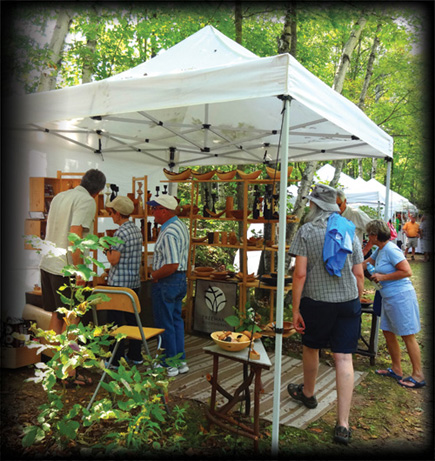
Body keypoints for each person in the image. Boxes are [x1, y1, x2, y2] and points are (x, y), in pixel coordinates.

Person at [288, 184, 364, 445]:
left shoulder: (306, 231)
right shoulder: (349, 231)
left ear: (315, 206)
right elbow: (359, 274)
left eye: (310, 203)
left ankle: (308, 393)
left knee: (311, 347)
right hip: (348, 302)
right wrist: (356, 298)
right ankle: (343, 424)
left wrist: (295, 309)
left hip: (317, 303)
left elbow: (299, 274)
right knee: (344, 358)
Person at [39, 169, 106, 386]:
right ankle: (69, 375)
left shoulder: (60, 196)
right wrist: (80, 270)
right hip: (66, 268)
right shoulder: (86, 201)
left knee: (56, 317)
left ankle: (55, 368)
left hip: (48, 263)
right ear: (98, 191)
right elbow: (75, 233)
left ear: (81, 181)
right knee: (73, 321)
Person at [364, 219, 425, 389]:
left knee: (407, 335)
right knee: (388, 332)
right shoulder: (380, 249)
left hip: (401, 296)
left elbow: (407, 271)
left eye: (369, 234)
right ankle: (396, 369)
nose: (368, 237)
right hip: (387, 297)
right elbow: (367, 263)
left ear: (375, 235)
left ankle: (418, 375)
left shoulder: (391, 249)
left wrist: (382, 277)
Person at [146, 195, 190, 377]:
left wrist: (153, 275)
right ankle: (180, 361)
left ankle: (168, 364)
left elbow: (171, 264)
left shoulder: (169, 232)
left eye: (155, 209)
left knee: (165, 324)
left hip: (168, 281)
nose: (152, 213)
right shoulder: (180, 226)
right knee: (176, 321)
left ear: (164, 210)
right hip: (180, 280)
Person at [105, 196, 143, 368]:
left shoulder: (120, 232)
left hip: (118, 286)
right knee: (133, 321)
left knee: (116, 324)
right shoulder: (136, 229)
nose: (110, 215)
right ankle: (135, 355)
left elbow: (113, 260)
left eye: (111, 212)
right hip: (133, 283)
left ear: (118, 214)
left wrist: (106, 248)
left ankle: (115, 360)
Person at [336, 189, 373, 256]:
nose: (336, 208)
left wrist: (365, 250)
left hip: (353, 256)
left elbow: (376, 231)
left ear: (345, 201)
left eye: (339, 205)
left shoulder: (355, 213)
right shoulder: (331, 215)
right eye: (334, 206)